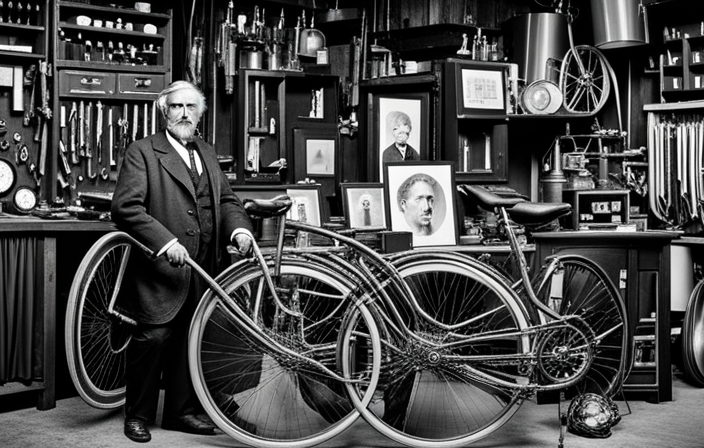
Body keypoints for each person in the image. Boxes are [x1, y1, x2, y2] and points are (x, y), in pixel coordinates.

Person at [111, 81, 254, 443]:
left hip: (203, 265)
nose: (185, 114)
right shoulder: (142, 151)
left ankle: (180, 413)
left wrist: (239, 232)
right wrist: (166, 242)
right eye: (177, 106)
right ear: (165, 111)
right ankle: (138, 416)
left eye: (192, 107)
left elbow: (227, 202)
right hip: (160, 268)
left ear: (201, 113)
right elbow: (126, 208)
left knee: (191, 337)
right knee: (154, 337)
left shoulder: (206, 152)